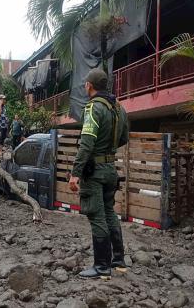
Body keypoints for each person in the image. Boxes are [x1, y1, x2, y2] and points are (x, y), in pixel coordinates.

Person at [68, 69, 129, 278]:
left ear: (89, 86)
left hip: (94, 172)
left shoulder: (93, 108)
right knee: (110, 212)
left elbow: (86, 143)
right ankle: (118, 260)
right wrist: (107, 150)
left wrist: (75, 172)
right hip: (110, 169)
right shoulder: (118, 108)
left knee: (97, 215)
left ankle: (102, 267)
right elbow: (124, 138)